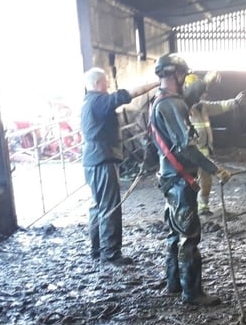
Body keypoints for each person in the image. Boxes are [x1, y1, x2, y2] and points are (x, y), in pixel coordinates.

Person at [149, 54, 232, 307]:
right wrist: (214, 169)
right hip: (180, 179)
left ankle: (174, 283)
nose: (185, 80)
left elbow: (188, 98)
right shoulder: (172, 105)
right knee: (189, 236)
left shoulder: (160, 100)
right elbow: (186, 146)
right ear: (176, 75)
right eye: (183, 75)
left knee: (175, 233)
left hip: (169, 177)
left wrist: (205, 81)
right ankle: (192, 293)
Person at [81, 67, 158, 265]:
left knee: (98, 205)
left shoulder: (88, 102)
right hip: (102, 158)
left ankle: (97, 249)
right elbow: (127, 95)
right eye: (106, 82)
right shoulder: (99, 101)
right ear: (98, 83)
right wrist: (157, 82)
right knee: (110, 206)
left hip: (92, 159)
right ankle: (110, 253)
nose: (108, 85)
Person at [183, 73, 245, 215]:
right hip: (190, 153)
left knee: (205, 182)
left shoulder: (202, 106)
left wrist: (235, 102)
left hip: (204, 151)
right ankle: (188, 208)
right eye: (199, 92)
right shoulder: (183, 108)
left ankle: (203, 207)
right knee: (188, 183)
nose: (202, 95)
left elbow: (219, 106)